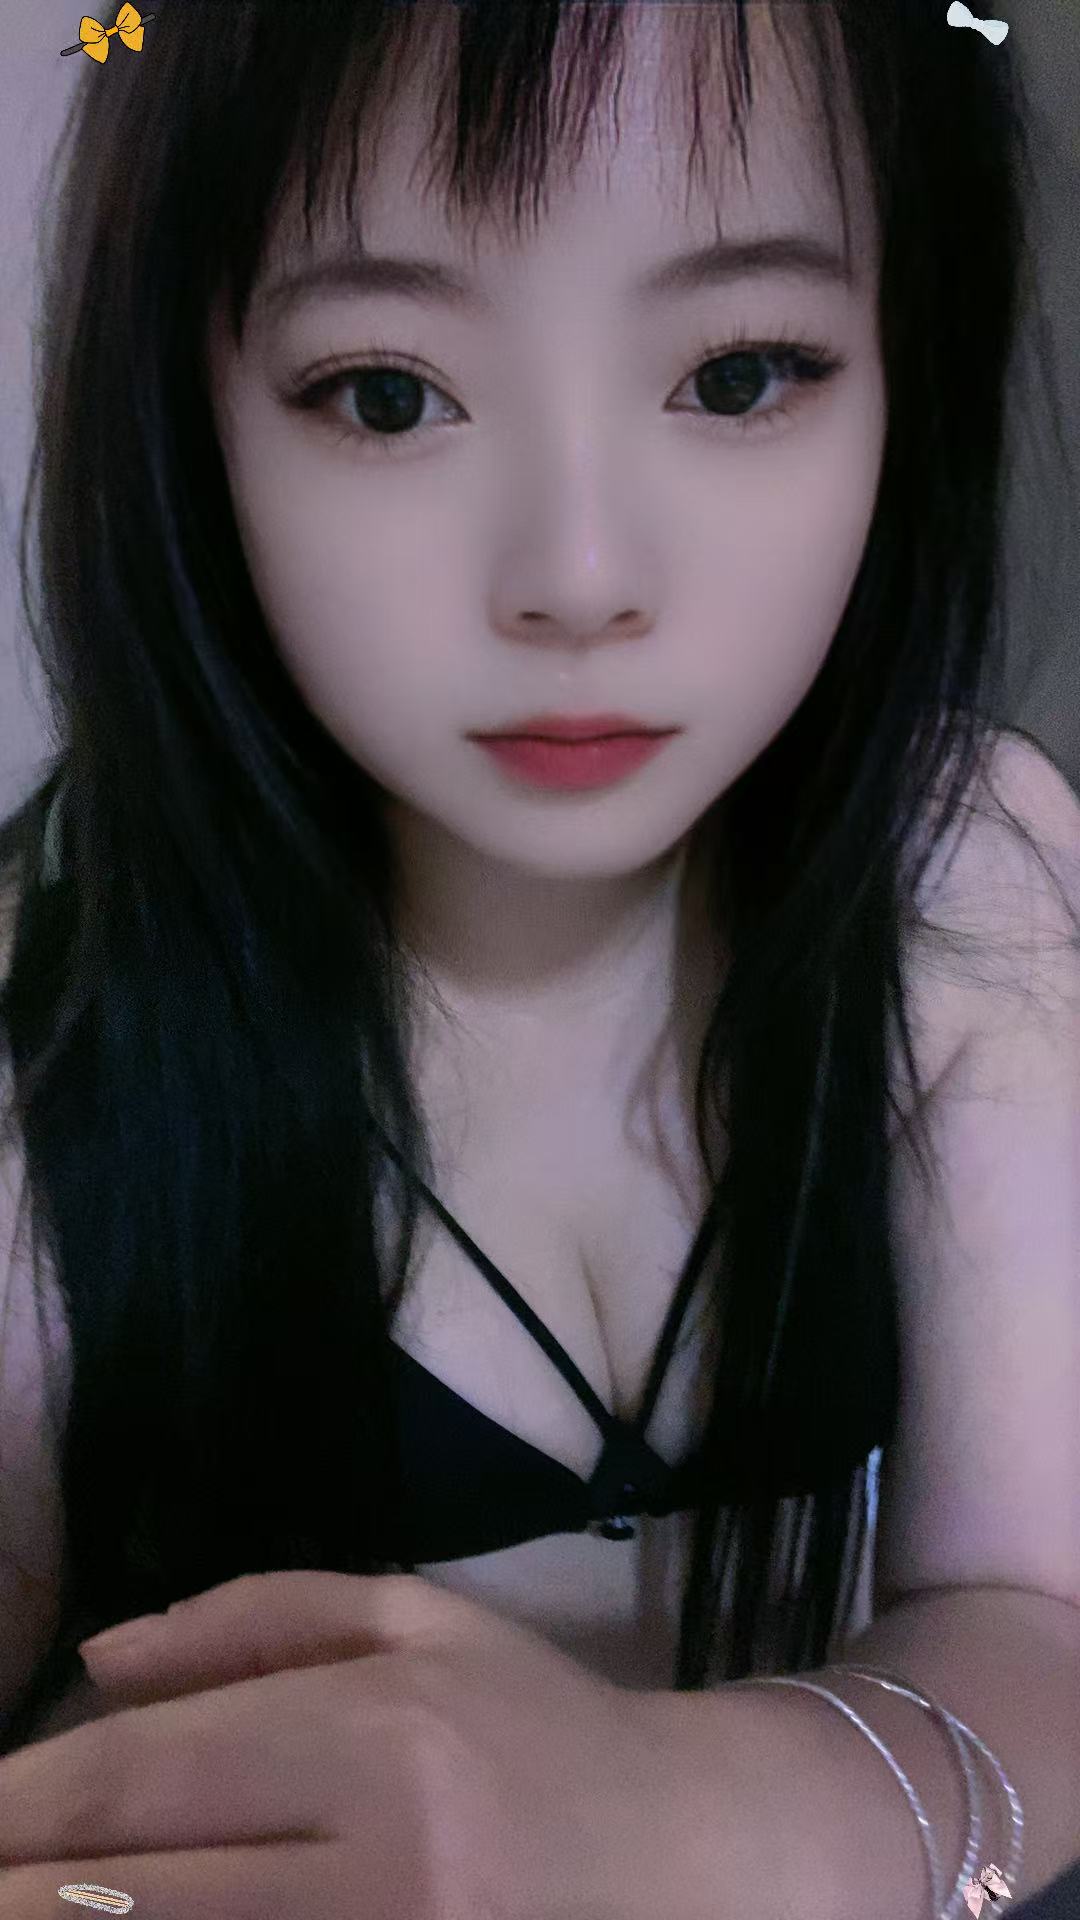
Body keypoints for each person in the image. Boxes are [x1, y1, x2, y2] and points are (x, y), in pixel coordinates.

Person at [0, 3, 1077, 1917]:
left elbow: (1036, 1609)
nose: (580, 576)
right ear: (192, 404)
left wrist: (701, 1820)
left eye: (740, 373)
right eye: (386, 395)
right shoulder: (48, 1033)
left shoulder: (968, 882)